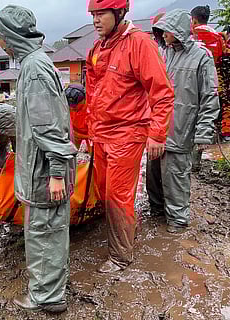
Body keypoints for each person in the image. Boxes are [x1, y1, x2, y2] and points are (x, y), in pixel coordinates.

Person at [0, 5, 77, 313]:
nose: (0, 44)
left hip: (44, 173)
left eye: (0, 37)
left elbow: (50, 127)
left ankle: (47, 297)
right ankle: (52, 286)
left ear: (9, 37)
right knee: (48, 232)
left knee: (44, 233)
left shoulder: (35, 69)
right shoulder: (37, 63)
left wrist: (56, 172)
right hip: (42, 170)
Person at [86, 0, 174, 273]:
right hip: (101, 134)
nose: (96, 20)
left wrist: (158, 134)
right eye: (93, 14)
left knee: (117, 195)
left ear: (119, 13)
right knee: (103, 190)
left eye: (101, 14)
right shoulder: (98, 48)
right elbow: (93, 96)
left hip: (127, 134)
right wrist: (88, 132)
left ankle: (120, 256)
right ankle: (121, 236)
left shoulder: (140, 44)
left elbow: (162, 92)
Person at [148, 9, 220, 233]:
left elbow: (210, 95)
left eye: (167, 29)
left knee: (176, 177)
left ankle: (177, 221)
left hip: (182, 129)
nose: (163, 33)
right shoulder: (162, 53)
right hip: (158, 129)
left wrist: (203, 131)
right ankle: (157, 213)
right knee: (153, 177)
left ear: (178, 29)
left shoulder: (201, 56)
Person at [190, 5, 230, 172]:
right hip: (214, 84)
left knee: (191, 120)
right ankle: (198, 160)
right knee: (207, 119)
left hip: (192, 83)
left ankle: (191, 162)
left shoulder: (191, 36)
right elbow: (224, 62)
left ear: (193, 20)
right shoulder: (219, 38)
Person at [64, 84, 91, 151]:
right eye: (70, 105)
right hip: (74, 132)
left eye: (75, 105)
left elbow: (96, 135)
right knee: (70, 152)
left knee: (94, 156)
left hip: (90, 134)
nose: (72, 108)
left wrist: (82, 136)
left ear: (84, 99)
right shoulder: (66, 106)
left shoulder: (91, 107)